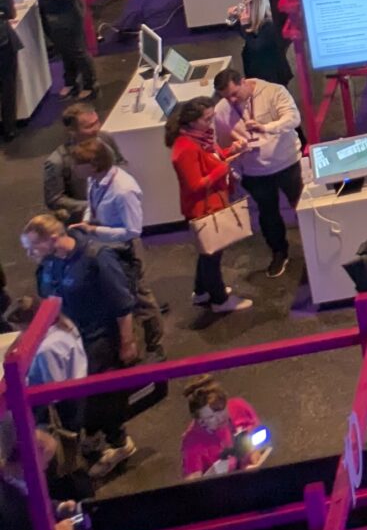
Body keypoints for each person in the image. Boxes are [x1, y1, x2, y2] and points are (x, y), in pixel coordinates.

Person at [21, 212, 140, 467]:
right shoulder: (49, 264)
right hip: (68, 343)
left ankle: (119, 444)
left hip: (98, 341)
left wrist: (127, 343)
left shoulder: (96, 258)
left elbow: (122, 303)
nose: (29, 254)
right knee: (75, 403)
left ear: (54, 238)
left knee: (99, 400)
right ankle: (92, 444)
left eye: (33, 247)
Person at [68, 139, 162, 359]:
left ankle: (155, 343)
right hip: (104, 245)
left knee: (140, 297)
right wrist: (87, 224)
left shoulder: (123, 190)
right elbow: (91, 207)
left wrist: (93, 231)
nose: (74, 169)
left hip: (126, 247)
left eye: (77, 164)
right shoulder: (95, 180)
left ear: (93, 164)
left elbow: (132, 231)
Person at [210, 66, 302, 281]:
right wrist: (234, 162)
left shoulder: (273, 91)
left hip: (287, 162)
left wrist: (268, 127)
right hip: (254, 171)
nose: (232, 100)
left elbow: (293, 118)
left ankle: (317, 247)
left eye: (234, 93)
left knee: (302, 207)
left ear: (243, 81)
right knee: (268, 214)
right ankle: (279, 252)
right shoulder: (222, 109)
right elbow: (221, 141)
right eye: (226, 97)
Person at [166, 98, 253, 316]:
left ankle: (202, 291)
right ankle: (219, 300)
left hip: (211, 205)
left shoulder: (199, 139)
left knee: (207, 252)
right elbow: (195, 184)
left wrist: (231, 150)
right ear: (192, 121)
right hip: (203, 210)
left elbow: (211, 158)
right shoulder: (185, 149)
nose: (212, 121)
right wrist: (222, 170)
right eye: (207, 118)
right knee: (212, 256)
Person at [178, 377, 267, 478]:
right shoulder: (191, 441)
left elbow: (257, 442)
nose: (220, 418)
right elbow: (193, 482)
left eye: (221, 410)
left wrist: (253, 461)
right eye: (211, 417)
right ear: (200, 421)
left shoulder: (240, 407)